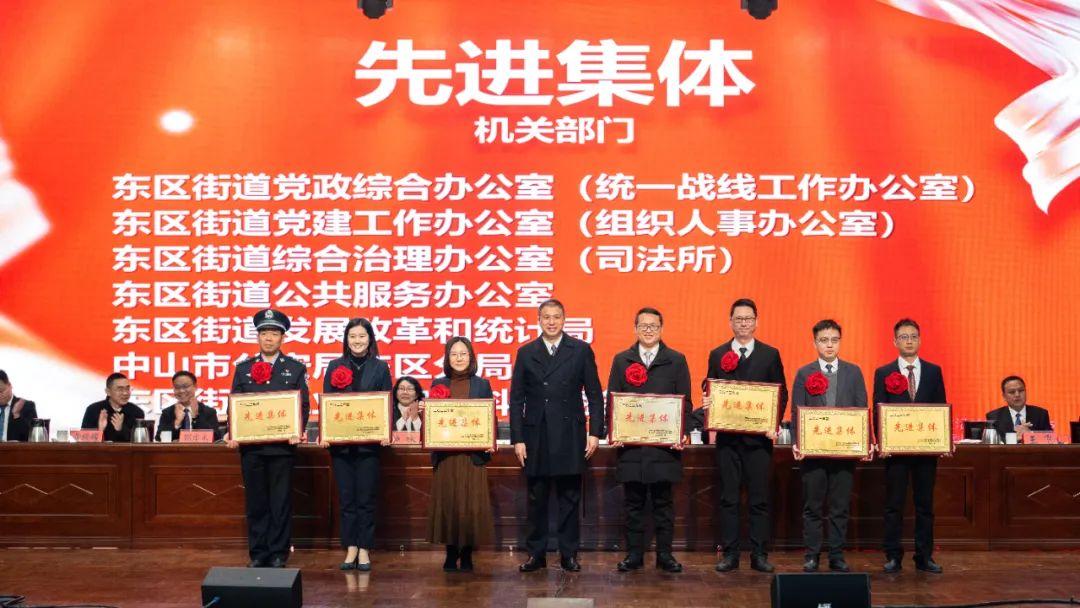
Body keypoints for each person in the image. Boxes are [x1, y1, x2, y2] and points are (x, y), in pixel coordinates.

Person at [509, 299, 605, 573]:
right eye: (546, 317)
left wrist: (595, 433)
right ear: (539, 320)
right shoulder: (526, 352)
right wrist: (518, 438)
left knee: (569, 498)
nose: (551, 322)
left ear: (564, 320)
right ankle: (536, 554)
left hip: (570, 433)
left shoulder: (580, 350)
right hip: (536, 434)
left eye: (556, 317)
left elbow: (594, 395)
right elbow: (516, 399)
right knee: (536, 498)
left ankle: (569, 554)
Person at [607, 307, 691, 574]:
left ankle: (665, 555)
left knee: (663, 504)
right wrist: (614, 430)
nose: (648, 330)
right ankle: (634, 555)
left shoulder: (676, 360)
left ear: (661, 329)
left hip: (664, 448)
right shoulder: (622, 360)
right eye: (643, 326)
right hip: (632, 448)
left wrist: (682, 432)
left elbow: (686, 403)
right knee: (633, 504)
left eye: (653, 326)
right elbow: (613, 401)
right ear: (635, 328)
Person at [705, 298, 787, 573]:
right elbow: (710, 388)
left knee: (759, 499)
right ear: (730, 322)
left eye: (748, 319)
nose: (743, 323)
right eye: (738, 319)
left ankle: (759, 554)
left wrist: (773, 422)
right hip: (728, 440)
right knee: (728, 498)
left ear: (756, 322)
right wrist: (708, 402)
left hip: (758, 441)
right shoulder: (718, 354)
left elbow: (781, 392)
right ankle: (730, 554)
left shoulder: (770, 354)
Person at [229, 309, 310, 569]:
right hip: (251, 449)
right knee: (256, 503)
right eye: (264, 333)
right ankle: (258, 553)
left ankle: (278, 553)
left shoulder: (295, 368)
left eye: (274, 333)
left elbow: (303, 405)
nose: (268, 338)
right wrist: (234, 432)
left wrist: (298, 429)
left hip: (282, 448)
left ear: (282, 338)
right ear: (258, 337)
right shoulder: (243, 369)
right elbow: (235, 404)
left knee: (280, 502)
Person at [790, 320, 868, 573]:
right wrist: (797, 442)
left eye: (834, 340)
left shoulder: (853, 372)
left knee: (839, 507)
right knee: (812, 506)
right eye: (824, 340)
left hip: (844, 452)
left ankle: (836, 555)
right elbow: (796, 411)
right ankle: (812, 555)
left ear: (840, 342)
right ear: (815, 343)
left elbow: (861, 409)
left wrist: (864, 442)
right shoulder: (804, 373)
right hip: (813, 452)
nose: (829, 345)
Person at [873, 318, 947, 574]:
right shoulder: (884, 372)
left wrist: (941, 441)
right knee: (894, 505)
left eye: (913, 336)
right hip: (895, 451)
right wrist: (881, 442)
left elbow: (940, 408)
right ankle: (893, 555)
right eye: (904, 337)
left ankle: (924, 556)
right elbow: (878, 410)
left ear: (920, 340)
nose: (909, 341)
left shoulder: (934, 371)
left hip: (926, 451)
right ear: (895, 341)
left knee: (924, 505)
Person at [319, 317, 392, 571]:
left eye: (362, 336)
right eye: (352, 336)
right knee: (347, 498)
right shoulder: (334, 366)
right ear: (346, 339)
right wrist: (325, 431)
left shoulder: (380, 367)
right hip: (341, 446)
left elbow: (388, 403)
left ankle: (364, 548)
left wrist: (386, 431)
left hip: (369, 446)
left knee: (366, 499)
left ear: (370, 339)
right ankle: (350, 546)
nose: (357, 341)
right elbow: (327, 402)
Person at [425, 337, 495, 573]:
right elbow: (434, 421)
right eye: (453, 354)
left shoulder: (482, 385)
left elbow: (490, 417)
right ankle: (450, 552)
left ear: (471, 357)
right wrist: (426, 412)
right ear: (447, 358)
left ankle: (466, 554)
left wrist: (490, 440)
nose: (458, 358)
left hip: (472, 456)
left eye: (463, 354)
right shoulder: (438, 384)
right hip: (446, 457)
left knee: (469, 504)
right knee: (449, 503)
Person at [155, 371, 220, 441]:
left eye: (185, 386)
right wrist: (177, 422)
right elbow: (159, 438)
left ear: (195, 387)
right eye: (177, 387)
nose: (181, 391)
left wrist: (195, 418)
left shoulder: (209, 412)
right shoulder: (167, 413)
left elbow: (216, 437)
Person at [80, 373, 145, 442]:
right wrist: (100, 430)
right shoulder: (93, 410)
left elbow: (139, 442)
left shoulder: (136, 412)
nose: (125, 393)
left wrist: (121, 429)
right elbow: (83, 441)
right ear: (108, 392)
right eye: (120, 389)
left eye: (127, 389)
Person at [986, 376, 1052, 439]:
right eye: (1012, 392)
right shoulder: (994, 417)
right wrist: (1013, 438)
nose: (1017, 395)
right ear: (1004, 396)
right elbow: (992, 442)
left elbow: (1050, 440)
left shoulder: (1040, 414)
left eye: (1021, 390)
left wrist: (1030, 434)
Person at [0, 369, 38, 442]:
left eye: (1, 391)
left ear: (9, 385)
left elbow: (32, 436)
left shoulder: (27, 406)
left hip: (14, 449)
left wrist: (17, 415)